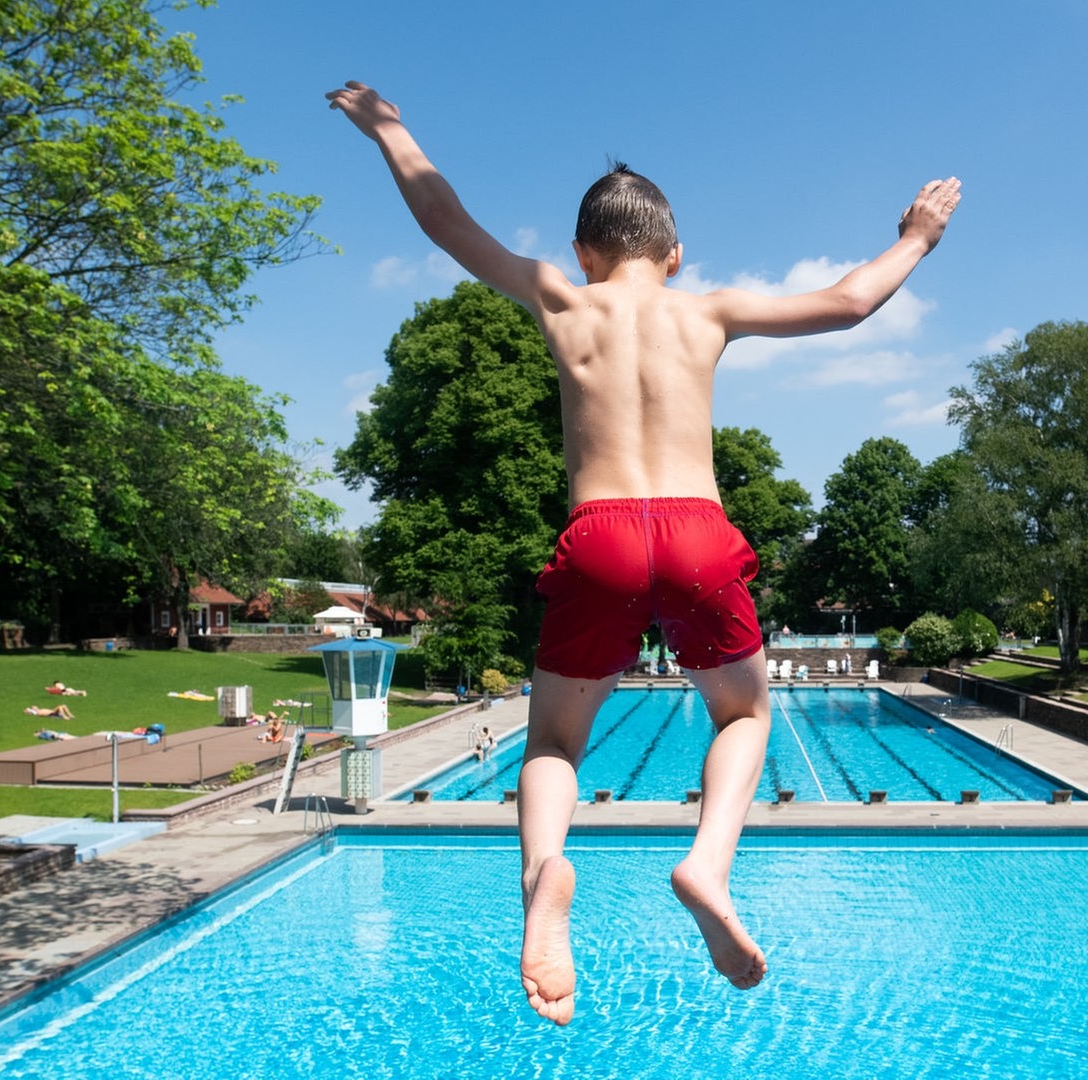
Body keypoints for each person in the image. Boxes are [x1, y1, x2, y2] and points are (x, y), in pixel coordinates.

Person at [328, 79, 958, 1026]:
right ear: (674, 252)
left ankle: (547, 876)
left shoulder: (559, 298)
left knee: (552, 742)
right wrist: (917, 235)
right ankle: (707, 863)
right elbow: (847, 303)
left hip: (600, 540)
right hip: (699, 536)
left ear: (584, 254)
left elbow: (444, 218)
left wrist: (389, 127)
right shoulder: (705, 310)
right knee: (743, 717)